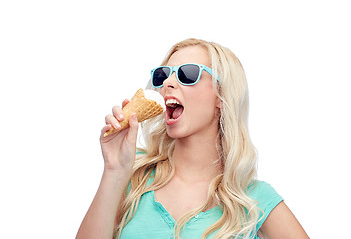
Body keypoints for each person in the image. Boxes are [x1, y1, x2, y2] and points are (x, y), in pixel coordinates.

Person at [76, 38, 309, 239]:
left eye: (188, 74)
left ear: (221, 94)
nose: (167, 83)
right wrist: (115, 170)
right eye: (163, 75)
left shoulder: (253, 199)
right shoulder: (132, 177)